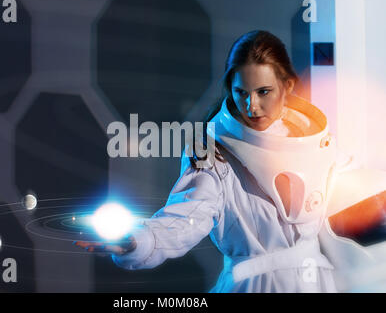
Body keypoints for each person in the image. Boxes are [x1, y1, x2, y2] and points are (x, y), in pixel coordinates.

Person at [74, 30, 386, 292]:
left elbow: (361, 191)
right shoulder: (212, 153)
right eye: (242, 92)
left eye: (264, 91)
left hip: (317, 283)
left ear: (287, 86)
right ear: (230, 90)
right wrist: (139, 241)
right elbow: (187, 217)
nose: (252, 105)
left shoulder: (318, 145)